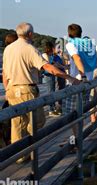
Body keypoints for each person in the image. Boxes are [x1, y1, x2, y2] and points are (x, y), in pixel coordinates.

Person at [3, 22, 80, 162]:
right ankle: (26, 152)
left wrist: (7, 87)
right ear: (30, 34)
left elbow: (5, 72)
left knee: (18, 122)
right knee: (37, 120)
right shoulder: (29, 48)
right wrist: (70, 77)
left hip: (11, 89)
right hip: (25, 89)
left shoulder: (8, 49)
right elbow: (47, 67)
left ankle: (21, 154)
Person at [63, 24, 97, 121]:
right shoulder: (90, 44)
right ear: (81, 33)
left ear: (69, 34)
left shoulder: (71, 44)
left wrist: (83, 76)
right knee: (81, 111)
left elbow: (77, 58)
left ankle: (77, 136)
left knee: (72, 114)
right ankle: (80, 134)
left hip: (78, 81)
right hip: (89, 81)